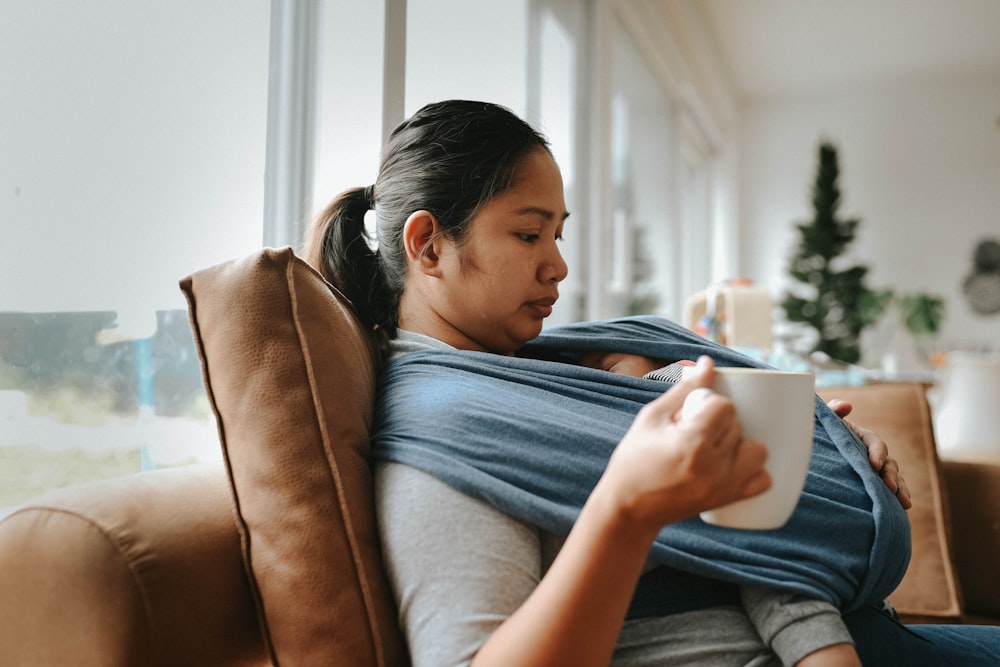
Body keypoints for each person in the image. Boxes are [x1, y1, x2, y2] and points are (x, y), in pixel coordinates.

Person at [303, 100, 1000, 666]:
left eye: (559, 236)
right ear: (428, 244)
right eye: (528, 235)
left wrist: (826, 453)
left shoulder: (536, 375)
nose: (558, 268)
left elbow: (724, 504)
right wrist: (626, 507)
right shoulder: (447, 431)